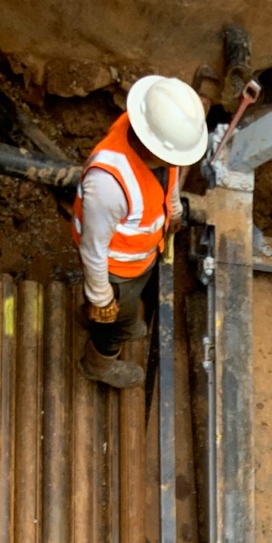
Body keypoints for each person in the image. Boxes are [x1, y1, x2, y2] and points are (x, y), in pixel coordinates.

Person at [72, 75, 208, 389]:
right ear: (153, 146)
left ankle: (109, 316)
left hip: (143, 259)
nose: (177, 162)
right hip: (117, 273)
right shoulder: (107, 185)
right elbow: (92, 250)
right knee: (116, 325)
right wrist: (102, 297)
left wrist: (173, 208)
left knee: (130, 308)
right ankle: (97, 365)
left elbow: (169, 174)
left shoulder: (156, 137)